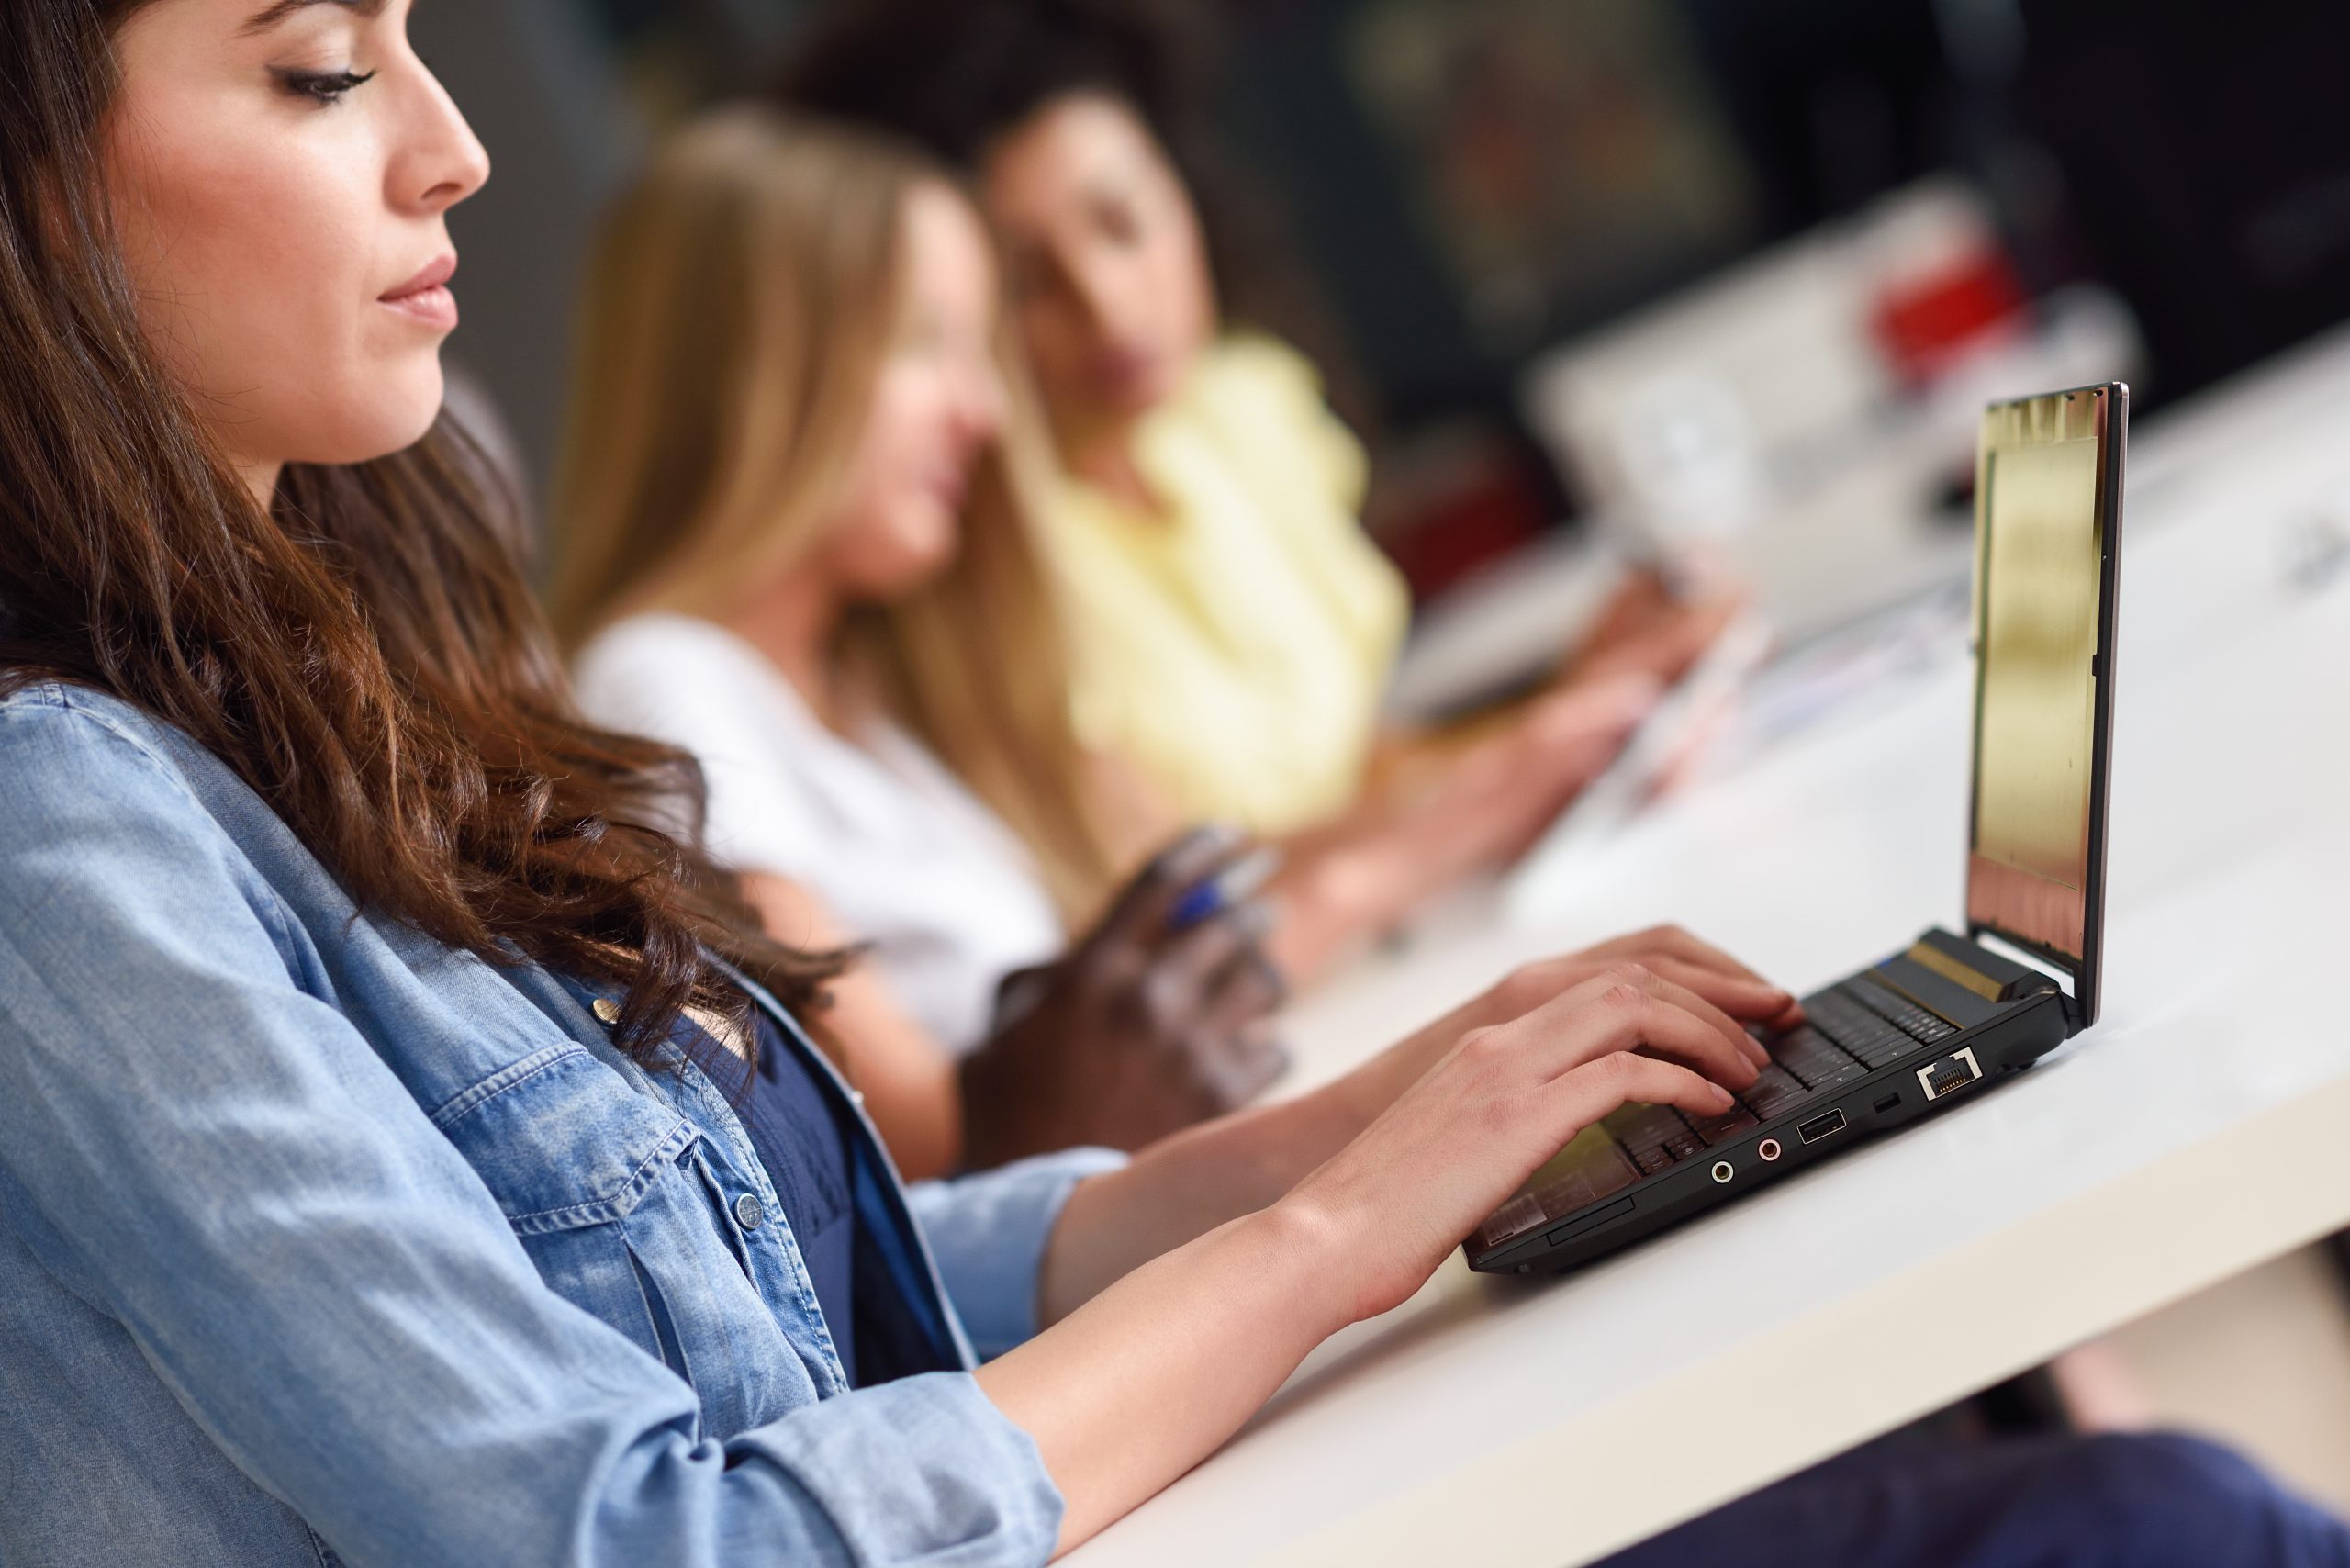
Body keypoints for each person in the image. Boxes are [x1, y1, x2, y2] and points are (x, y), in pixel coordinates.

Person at [3, 6, 2344, 1568]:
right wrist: (1322, 1239)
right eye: (318, 67)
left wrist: (1396, 1113)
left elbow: (837, 1290)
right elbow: (663, 1538)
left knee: (2095, 1490)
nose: (455, 141)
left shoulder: (322, 704)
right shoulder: (63, 833)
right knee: (2135, 1526)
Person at [552, 109, 1643, 1172]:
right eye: (927, 344)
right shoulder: (662, 681)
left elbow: (1171, 928)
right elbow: (939, 1133)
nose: (983, 412)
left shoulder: (853, 689)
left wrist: (1529, 767)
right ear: (764, 374)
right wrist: (1452, 829)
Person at [776, 0, 1741, 944]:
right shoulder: (974, 571)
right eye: (1025, 283)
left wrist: (1576, 696)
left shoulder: (1239, 409)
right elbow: (1176, 897)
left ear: (1181, 187)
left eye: (1122, 220)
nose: (1108, 308)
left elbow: (1345, 770)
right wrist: (1531, 753)